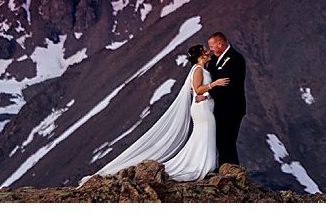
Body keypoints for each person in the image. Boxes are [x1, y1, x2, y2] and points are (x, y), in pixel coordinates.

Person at [85, 43, 230, 182]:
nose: (208, 53)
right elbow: (198, 89)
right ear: (200, 55)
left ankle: (204, 164)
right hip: (202, 110)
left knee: (202, 137)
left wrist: (206, 92)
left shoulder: (199, 69)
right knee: (205, 135)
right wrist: (214, 84)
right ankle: (204, 166)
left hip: (203, 107)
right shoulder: (198, 69)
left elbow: (197, 90)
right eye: (205, 51)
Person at [205, 31, 247, 168]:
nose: (210, 49)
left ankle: (232, 170)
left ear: (220, 44)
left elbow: (229, 83)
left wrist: (208, 92)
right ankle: (224, 167)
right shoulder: (212, 61)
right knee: (220, 139)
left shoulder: (235, 59)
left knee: (228, 139)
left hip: (232, 107)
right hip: (219, 107)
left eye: (212, 46)